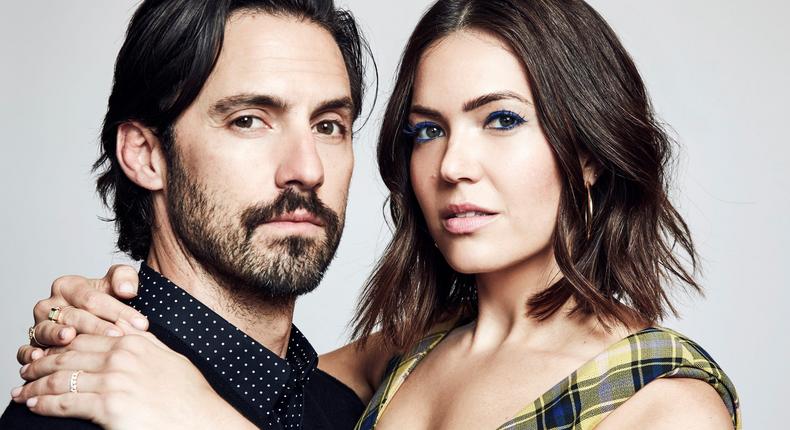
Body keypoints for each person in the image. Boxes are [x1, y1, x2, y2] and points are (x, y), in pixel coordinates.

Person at [12, 0, 742, 429]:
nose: (453, 164)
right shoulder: (397, 358)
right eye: (427, 129)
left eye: (502, 120)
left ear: (586, 149)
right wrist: (103, 314)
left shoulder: (661, 404)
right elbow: (258, 368)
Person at [1, 0, 381, 429]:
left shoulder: (349, 411)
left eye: (328, 125)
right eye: (249, 120)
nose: (308, 170)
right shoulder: (75, 408)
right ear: (146, 155)